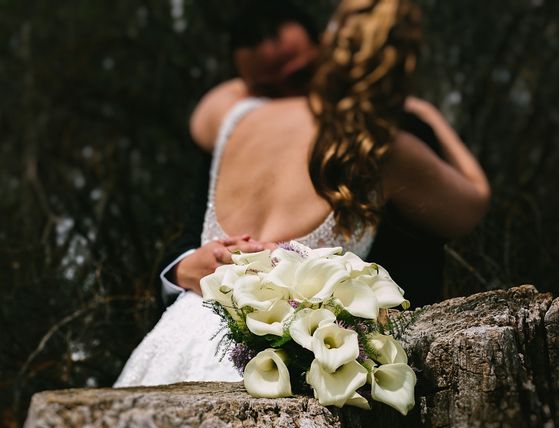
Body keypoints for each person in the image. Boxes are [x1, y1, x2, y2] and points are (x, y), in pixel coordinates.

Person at [115, 0, 489, 387]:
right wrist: (428, 113)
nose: (282, 90)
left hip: (201, 350)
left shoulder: (232, 119)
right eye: (266, 84)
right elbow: (474, 201)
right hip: (276, 367)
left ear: (325, 48)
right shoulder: (385, 149)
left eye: (295, 74)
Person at [160, 0, 462, 309]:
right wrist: (183, 267)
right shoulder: (238, 130)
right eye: (269, 90)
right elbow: (190, 229)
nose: (290, 97)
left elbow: (421, 260)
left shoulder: (392, 135)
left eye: (300, 76)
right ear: (247, 87)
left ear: (326, 53)